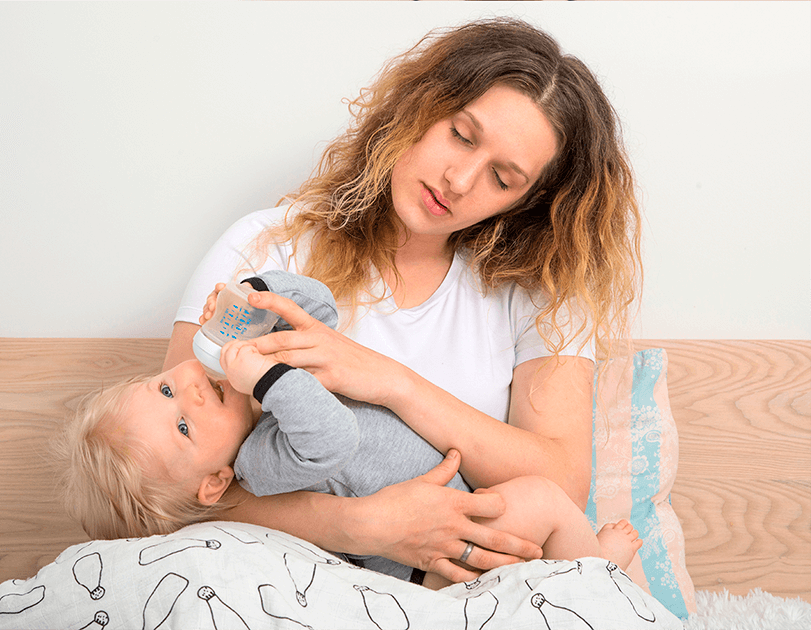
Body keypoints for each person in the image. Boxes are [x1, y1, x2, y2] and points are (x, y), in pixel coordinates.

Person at [161, 17, 642, 585]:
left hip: (470, 590)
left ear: (527, 201)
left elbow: (561, 487)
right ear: (420, 106)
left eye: (502, 178)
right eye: (461, 135)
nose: (459, 180)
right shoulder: (268, 249)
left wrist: (394, 384)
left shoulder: (540, 294)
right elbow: (172, 481)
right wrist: (361, 526)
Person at [58, 270, 642, 590]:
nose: (187, 392)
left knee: (540, 520)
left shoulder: (265, 395)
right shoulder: (259, 462)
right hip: (427, 565)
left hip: (458, 507)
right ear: (213, 482)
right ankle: (600, 578)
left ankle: (596, 581)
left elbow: (321, 315)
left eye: (164, 389)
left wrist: (259, 297)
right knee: (542, 500)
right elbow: (333, 437)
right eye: (184, 426)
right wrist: (265, 378)